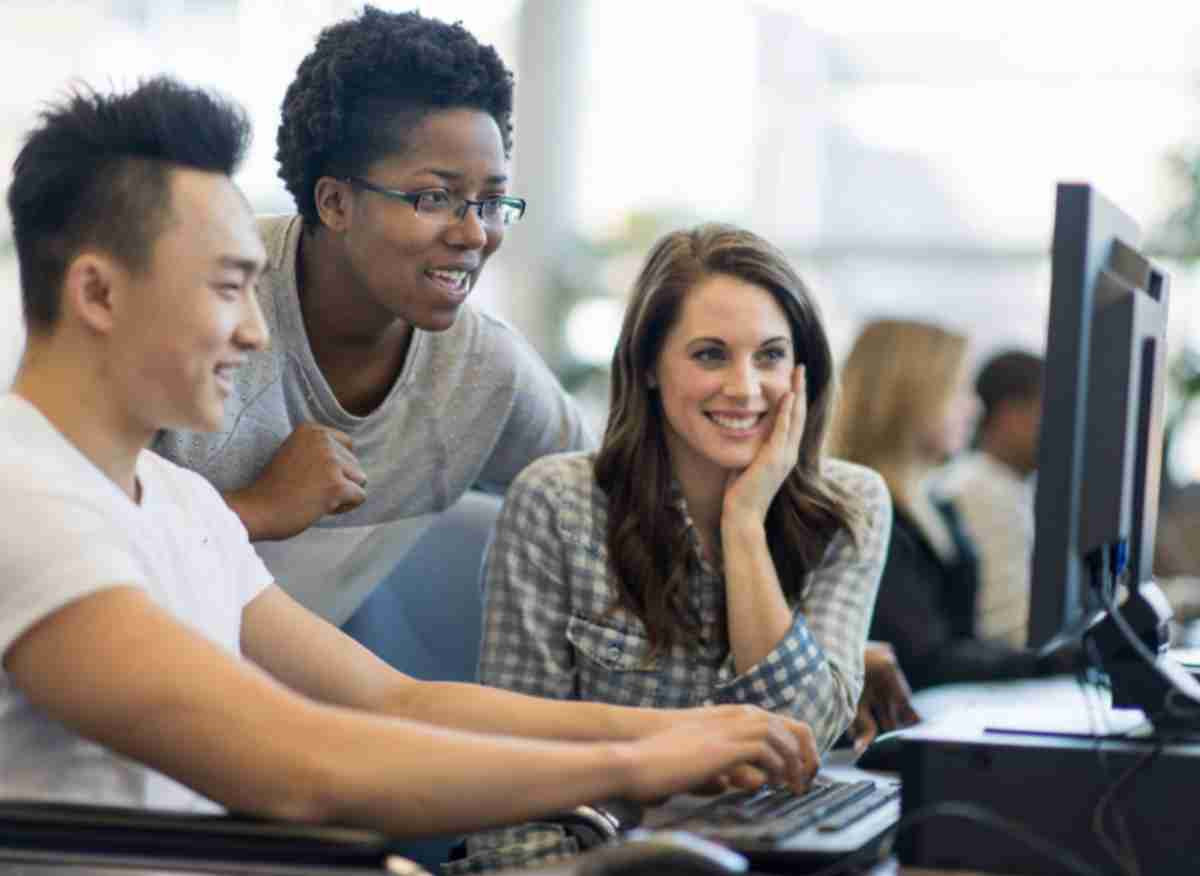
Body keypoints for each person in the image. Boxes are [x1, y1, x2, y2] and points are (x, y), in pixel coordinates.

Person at [0, 79, 821, 865]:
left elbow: (394, 701)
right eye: (226, 289)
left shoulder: (173, 500)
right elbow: (306, 765)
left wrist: (671, 731)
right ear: (99, 295)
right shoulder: (22, 498)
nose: (255, 333)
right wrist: (635, 768)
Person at [462, 224, 892, 869]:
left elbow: (798, 734)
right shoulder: (559, 501)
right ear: (650, 368)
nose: (745, 389)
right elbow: (510, 769)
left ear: (802, 373)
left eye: (770, 356)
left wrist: (743, 523)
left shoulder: (851, 504)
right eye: (711, 355)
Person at [153, 7, 591, 624]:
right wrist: (256, 509)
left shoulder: (482, 369)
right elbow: (54, 520)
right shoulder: (194, 299)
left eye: (491, 203)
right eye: (434, 197)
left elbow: (613, 498)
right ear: (334, 202)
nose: (475, 234)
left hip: (291, 695)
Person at [829, 319, 1054, 691]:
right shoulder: (862, 514)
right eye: (960, 390)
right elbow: (924, 660)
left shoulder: (936, 506)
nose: (976, 406)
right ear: (912, 398)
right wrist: (1048, 662)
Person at [937, 350, 1043, 648]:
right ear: (1010, 415)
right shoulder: (983, 490)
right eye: (1048, 410)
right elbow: (1008, 630)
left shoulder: (1009, 486)